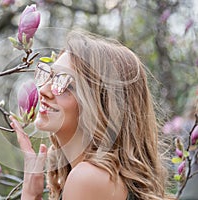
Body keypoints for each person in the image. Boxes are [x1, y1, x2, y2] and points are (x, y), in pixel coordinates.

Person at [9, 30, 168, 200]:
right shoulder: (101, 177)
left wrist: (29, 196)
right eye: (50, 76)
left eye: (65, 84)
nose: (44, 91)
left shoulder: (87, 178)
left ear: (102, 105)